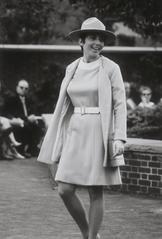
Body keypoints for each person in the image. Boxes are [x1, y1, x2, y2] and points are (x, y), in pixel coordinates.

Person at [37, 17, 127, 239]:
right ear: (81, 41)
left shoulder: (111, 68)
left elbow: (120, 104)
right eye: (93, 38)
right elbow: (64, 104)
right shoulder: (72, 68)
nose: (97, 43)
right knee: (64, 189)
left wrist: (119, 138)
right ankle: (88, 232)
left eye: (101, 39)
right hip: (75, 132)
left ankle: (90, 237)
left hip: (99, 131)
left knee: (95, 190)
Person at [2, 79, 44, 157]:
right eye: (21, 87)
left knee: (37, 127)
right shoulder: (11, 99)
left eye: (26, 89)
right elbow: (10, 112)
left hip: (26, 120)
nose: (23, 90)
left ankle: (32, 149)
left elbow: (33, 110)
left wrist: (32, 116)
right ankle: (20, 150)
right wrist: (26, 118)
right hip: (16, 120)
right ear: (17, 88)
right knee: (26, 126)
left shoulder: (29, 100)